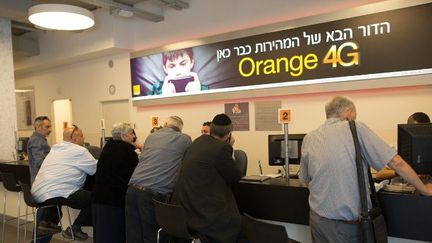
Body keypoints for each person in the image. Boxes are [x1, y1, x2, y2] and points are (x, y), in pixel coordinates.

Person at [299, 96, 432, 243]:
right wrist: (424, 189)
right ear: (348, 112)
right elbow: (396, 162)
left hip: (317, 221)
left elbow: (304, 179)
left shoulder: (309, 138)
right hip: (345, 228)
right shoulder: (355, 127)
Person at [175, 113, 244, 243]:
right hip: (205, 216)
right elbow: (235, 176)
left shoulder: (198, 141)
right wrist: (230, 145)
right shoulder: (222, 148)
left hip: (186, 210)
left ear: (211, 129)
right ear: (229, 134)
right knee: (240, 227)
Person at [125, 116, 191, 243]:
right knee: (151, 234)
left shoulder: (152, 136)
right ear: (180, 129)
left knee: (133, 234)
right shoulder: (185, 139)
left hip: (132, 188)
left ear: (165, 124)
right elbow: (187, 162)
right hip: (154, 193)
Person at [31, 125, 97, 241]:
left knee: (56, 210)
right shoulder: (79, 150)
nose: (84, 137)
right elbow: (96, 169)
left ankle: (46, 223)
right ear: (75, 139)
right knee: (98, 198)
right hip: (57, 192)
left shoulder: (55, 149)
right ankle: (75, 229)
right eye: (82, 135)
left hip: (38, 193)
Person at [92, 123, 139, 243]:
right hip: (115, 199)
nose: (133, 136)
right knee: (114, 234)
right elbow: (133, 176)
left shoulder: (107, 148)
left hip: (99, 197)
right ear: (124, 136)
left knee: (103, 234)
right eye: (131, 134)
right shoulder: (128, 153)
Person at [27, 116, 52, 184]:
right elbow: (39, 162)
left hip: (41, 179)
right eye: (47, 127)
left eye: (50, 126)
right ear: (38, 127)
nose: (50, 129)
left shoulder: (40, 139)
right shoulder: (36, 140)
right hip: (41, 181)